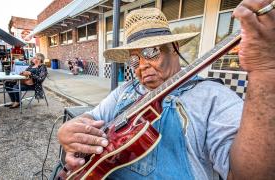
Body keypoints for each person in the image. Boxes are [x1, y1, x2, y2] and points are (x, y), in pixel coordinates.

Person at [57, 1, 275, 179]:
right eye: (134, 59)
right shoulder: (125, 90)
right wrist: (67, 130)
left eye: (151, 52)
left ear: (174, 48)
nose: (142, 66)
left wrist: (265, 72)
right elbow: (93, 118)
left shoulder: (212, 97)